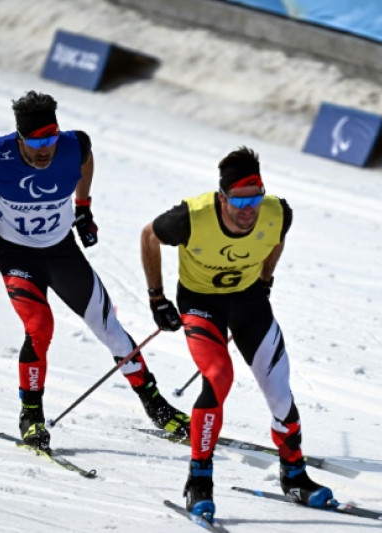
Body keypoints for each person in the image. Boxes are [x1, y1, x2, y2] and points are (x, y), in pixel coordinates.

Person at [0, 90, 190, 452]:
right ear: (20, 139)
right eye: (36, 142)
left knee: (110, 329)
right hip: (18, 257)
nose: (45, 149)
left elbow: (86, 158)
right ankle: (31, 416)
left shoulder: (74, 145)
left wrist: (83, 207)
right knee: (39, 328)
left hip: (63, 253)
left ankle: (156, 405)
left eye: (51, 138)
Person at [140, 147, 333, 521]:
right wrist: (156, 297)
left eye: (255, 198)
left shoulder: (278, 211)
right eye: (239, 200)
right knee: (219, 377)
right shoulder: (190, 217)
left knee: (279, 391)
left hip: (248, 303)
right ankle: (199, 480)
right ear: (222, 196)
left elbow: (277, 236)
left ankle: (294, 474)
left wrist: (265, 279)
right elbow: (149, 235)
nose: (248, 209)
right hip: (201, 305)